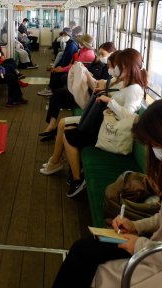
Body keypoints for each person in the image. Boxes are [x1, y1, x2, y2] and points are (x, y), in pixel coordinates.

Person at [52, 99, 162, 288]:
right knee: (84, 249)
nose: (154, 150)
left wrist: (138, 244)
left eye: (155, 144)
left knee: (86, 256)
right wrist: (134, 226)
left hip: (152, 256)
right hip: (150, 246)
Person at [63, 48, 148, 197]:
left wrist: (109, 101)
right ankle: (75, 174)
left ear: (127, 67)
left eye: (118, 65)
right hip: (104, 126)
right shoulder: (127, 84)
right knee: (69, 130)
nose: (115, 69)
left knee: (68, 135)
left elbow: (128, 116)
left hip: (111, 132)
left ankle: (78, 180)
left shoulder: (134, 89)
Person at [39, 50, 121, 175]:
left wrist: (94, 81)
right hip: (97, 114)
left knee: (67, 130)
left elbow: (122, 110)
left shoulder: (124, 87)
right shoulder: (115, 80)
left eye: (103, 54)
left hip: (102, 121)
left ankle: (71, 174)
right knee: (61, 108)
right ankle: (55, 160)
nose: (100, 56)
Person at [39, 42, 116, 143]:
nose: (100, 56)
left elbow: (98, 88)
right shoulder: (98, 62)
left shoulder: (110, 70)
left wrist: (88, 75)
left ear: (112, 53)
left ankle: (53, 128)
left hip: (89, 96)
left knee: (59, 93)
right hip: (83, 89)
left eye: (103, 54)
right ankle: (52, 124)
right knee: (58, 93)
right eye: (99, 53)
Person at [38, 28, 78, 97]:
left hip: (69, 66)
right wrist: (57, 66)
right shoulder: (69, 43)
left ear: (69, 35)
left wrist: (60, 67)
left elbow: (67, 59)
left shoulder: (71, 45)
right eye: (62, 34)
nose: (63, 36)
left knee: (56, 72)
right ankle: (50, 88)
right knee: (54, 70)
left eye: (65, 34)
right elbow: (64, 58)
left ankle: (51, 89)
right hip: (67, 64)